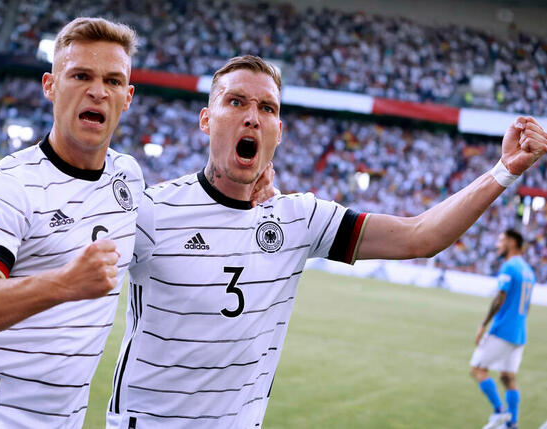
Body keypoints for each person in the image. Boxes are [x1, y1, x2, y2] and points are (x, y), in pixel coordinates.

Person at [106, 55, 547, 428]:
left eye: (266, 108)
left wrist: (504, 170)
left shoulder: (300, 219)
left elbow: (420, 236)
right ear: (206, 119)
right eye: (235, 101)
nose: (252, 116)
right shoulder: (153, 210)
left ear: (279, 131)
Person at [0, 17, 143, 428]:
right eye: (81, 75)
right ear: (50, 85)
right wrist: (65, 283)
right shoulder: (8, 185)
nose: (98, 91)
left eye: (113, 81)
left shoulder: (128, 178)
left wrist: (251, 185)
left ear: (127, 96)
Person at [470, 229, 535, 429]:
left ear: (512, 242)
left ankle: (499, 411)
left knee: (477, 369)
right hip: (519, 334)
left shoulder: (509, 266)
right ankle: (512, 423)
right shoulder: (528, 271)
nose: (497, 245)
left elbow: (500, 297)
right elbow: (527, 306)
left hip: (502, 331)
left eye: (501, 240)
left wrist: (483, 324)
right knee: (508, 378)